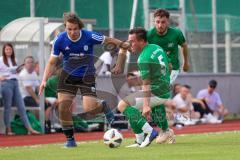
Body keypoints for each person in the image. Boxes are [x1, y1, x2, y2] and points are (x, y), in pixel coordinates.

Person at [39, 12, 130, 148]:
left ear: (79, 27)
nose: (72, 32)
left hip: (87, 75)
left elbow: (108, 40)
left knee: (90, 109)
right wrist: (44, 80)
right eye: (69, 29)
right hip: (68, 75)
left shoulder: (89, 36)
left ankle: (103, 106)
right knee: (63, 107)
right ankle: (70, 139)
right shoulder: (60, 40)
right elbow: (52, 62)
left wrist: (123, 44)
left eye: (75, 29)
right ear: (66, 28)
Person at [115, 27, 176, 148]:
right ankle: (140, 140)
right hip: (164, 89)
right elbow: (169, 66)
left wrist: (146, 105)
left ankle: (150, 132)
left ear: (142, 41)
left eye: (132, 41)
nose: (129, 44)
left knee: (122, 105)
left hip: (156, 92)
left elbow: (146, 84)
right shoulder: (156, 47)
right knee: (134, 109)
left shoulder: (143, 58)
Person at [0, 43, 40, 135]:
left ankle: (30, 129)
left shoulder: (15, 60)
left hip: (15, 83)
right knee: (8, 107)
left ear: (12, 50)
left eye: (10, 49)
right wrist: (1, 77)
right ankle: (8, 130)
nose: (8, 51)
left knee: (21, 107)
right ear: (4, 50)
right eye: (6, 49)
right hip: (6, 84)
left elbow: (15, 72)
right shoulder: (1, 59)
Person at [147, 9, 189, 84]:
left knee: (163, 86)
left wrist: (186, 62)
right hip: (156, 68)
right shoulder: (149, 35)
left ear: (168, 22)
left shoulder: (176, 33)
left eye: (163, 22)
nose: (160, 25)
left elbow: (184, 46)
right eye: (157, 22)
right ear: (154, 22)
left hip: (173, 69)